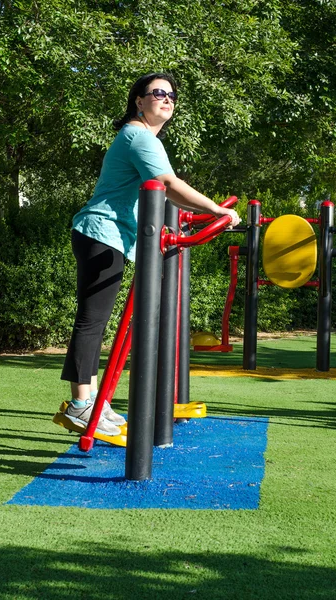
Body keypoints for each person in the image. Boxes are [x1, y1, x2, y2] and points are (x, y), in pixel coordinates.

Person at [60, 72, 241, 436]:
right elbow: (170, 186)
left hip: (107, 236)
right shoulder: (138, 135)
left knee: (98, 319)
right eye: (157, 93)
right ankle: (81, 404)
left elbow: (160, 190)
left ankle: (94, 401)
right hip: (101, 233)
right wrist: (217, 211)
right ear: (138, 101)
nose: (167, 98)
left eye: (172, 95)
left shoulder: (142, 138)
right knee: (93, 319)